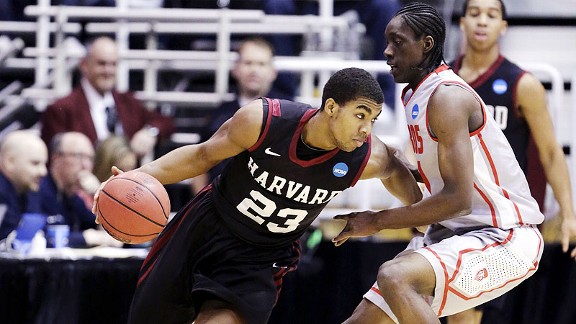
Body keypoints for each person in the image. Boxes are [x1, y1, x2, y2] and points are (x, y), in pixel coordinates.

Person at [92, 67, 423, 324]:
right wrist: (138, 176)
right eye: (361, 115)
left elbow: (396, 172)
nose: (367, 128)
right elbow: (201, 156)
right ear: (332, 107)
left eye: (374, 119)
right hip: (207, 228)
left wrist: (423, 217)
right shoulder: (266, 120)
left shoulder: (365, 156)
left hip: (259, 258)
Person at [331, 3, 550, 323]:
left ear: (427, 44)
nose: (388, 52)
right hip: (454, 232)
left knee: (395, 275)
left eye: (398, 41)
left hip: (504, 235)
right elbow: (436, 176)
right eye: (387, 42)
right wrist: (390, 163)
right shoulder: (413, 96)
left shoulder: (447, 96)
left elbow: (458, 199)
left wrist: (376, 221)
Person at [447, 0, 576, 322]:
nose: (482, 21)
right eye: (475, 13)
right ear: (462, 22)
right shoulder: (442, 80)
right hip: (451, 208)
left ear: (503, 26)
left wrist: (569, 216)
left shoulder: (523, 84)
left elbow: (550, 152)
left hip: (501, 217)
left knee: (466, 311)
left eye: (492, 15)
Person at [40, 36, 174, 161]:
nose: (108, 71)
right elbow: (53, 161)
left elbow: (165, 122)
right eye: (101, 64)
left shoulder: (127, 102)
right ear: (84, 65)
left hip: (127, 183)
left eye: (113, 64)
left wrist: (150, 132)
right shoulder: (62, 109)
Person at [193, 36, 291, 192]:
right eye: (248, 63)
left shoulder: (290, 114)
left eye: (261, 64)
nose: (254, 70)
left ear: (273, 72)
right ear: (236, 69)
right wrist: (204, 202)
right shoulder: (219, 115)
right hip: (220, 204)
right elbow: (201, 160)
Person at [262, 0, 401, 110]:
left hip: (353, 5)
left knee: (385, 5)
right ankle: (284, 99)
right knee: (277, 4)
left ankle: (385, 101)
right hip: (306, 4)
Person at [39, 132, 121, 248]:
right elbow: (37, 239)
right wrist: (85, 237)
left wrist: (100, 196)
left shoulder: (74, 199)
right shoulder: (38, 190)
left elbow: (108, 234)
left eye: (90, 158)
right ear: (56, 158)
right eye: (78, 156)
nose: (85, 165)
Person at [0, 130, 47, 240]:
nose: (43, 171)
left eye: (44, 164)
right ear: (9, 162)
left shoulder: (30, 189)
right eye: (35, 163)